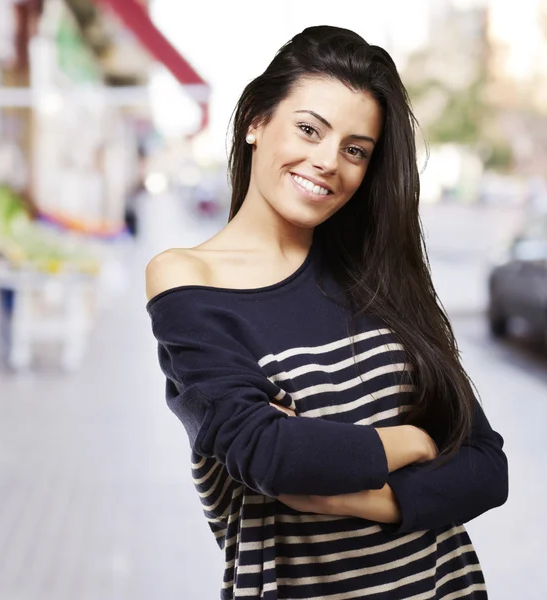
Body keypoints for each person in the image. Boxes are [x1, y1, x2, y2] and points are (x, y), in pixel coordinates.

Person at [144, 26, 508, 600]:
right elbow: (270, 453)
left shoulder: (379, 277)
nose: (327, 161)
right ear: (256, 123)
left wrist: (362, 495)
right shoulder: (190, 278)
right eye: (309, 129)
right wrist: (413, 442)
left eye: (355, 149)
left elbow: (487, 466)